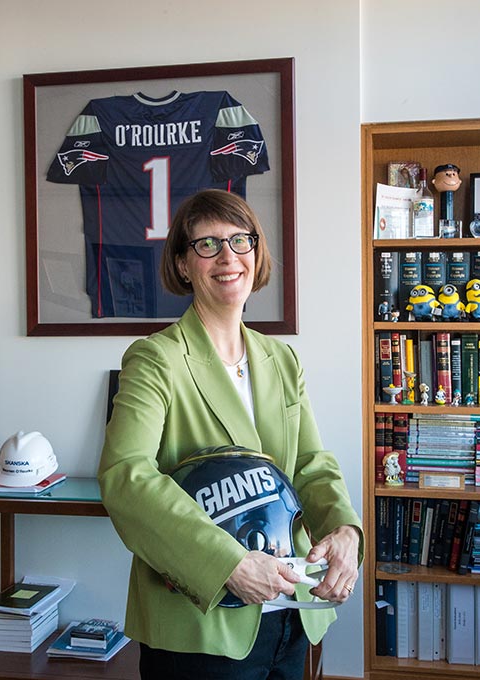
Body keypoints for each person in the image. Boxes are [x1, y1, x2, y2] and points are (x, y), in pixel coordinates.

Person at [98, 189, 362, 680]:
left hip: (292, 612)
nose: (228, 257)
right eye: (207, 245)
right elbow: (125, 476)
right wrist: (227, 565)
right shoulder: (156, 359)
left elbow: (309, 464)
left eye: (241, 241)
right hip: (202, 623)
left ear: (257, 253)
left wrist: (344, 530)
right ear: (181, 264)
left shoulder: (281, 359)